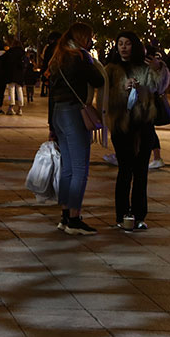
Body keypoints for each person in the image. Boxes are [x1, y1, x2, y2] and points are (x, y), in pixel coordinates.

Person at [106, 31, 169, 232]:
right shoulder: (111, 69)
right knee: (125, 170)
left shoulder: (145, 67)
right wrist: (121, 89)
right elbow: (105, 99)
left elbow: (159, 87)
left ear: (134, 45)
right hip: (122, 126)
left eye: (127, 43)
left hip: (143, 125)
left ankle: (139, 215)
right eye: (120, 43)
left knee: (141, 171)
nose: (123, 47)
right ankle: (122, 215)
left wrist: (158, 68)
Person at [47, 22, 106, 235]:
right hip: (74, 113)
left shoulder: (58, 58)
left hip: (59, 113)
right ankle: (74, 219)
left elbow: (52, 94)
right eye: (90, 37)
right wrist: (91, 60)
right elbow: (98, 80)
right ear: (82, 38)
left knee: (68, 168)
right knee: (80, 169)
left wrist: (52, 125)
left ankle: (65, 216)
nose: (91, 41)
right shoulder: (79, 57)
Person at [4, 36, 25, 115]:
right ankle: (20, 108)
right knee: (19, 89)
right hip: (19, 73)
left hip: (11, 73)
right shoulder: (22, 52)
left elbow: (6, 63)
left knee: (11, 89)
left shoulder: (10, 52)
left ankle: (11, 106)